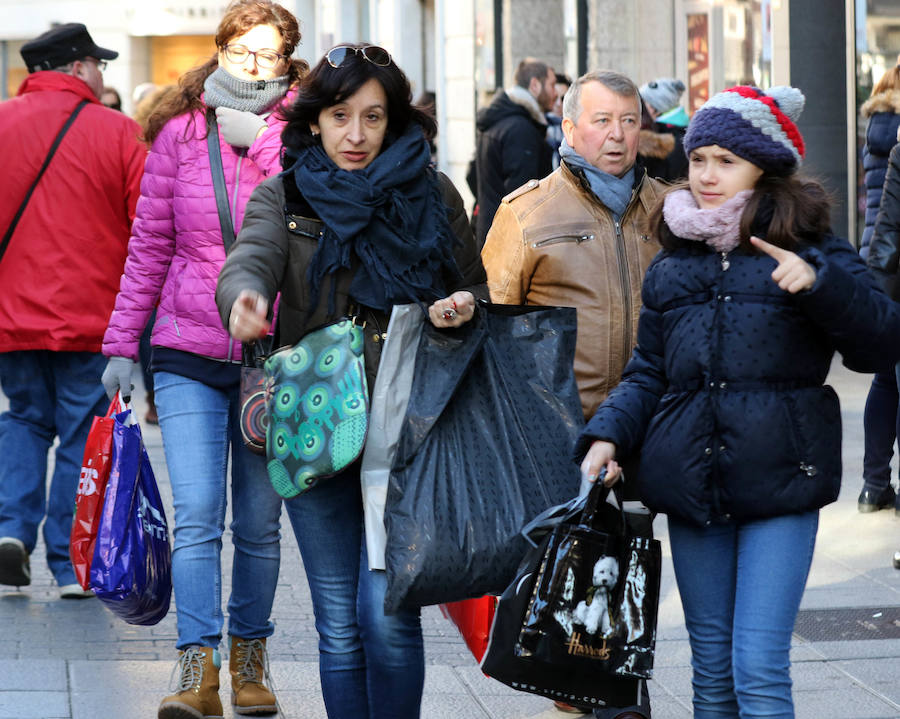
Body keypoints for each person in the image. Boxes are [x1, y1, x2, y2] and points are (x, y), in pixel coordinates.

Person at [577, 85, 900, 719]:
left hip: (781, 483)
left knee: (757, 670)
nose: (706, 175)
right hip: (692, 488)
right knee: (713, 677)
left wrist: (821, 286)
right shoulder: (674, 263)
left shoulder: (810, 246)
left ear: (765, 167)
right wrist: (606, 435)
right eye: (699, 159)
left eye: (726, 161)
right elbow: (649, 372)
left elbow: (880, 344)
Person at [215, 43, 488, 719]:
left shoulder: (434, 194)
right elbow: (250, 258)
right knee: (339, 625)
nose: (356, 134)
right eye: (340, 116)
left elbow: (475, 286)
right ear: (315, 121)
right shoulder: (284, 194)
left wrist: (463, 305)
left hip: (409, 428)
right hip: (314, 424)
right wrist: (245, 297)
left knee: (387, 613)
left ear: (394, 121)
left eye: (373, 116)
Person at [99, 1, 307, 716]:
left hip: (271, 355)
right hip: (186, 348)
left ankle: (250, 655)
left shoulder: (304, 133)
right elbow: (149, 246)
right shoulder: (179, 135)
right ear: (219, 52)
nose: (254, 65)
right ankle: (197, 665)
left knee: (258, 524)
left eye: (268, 54)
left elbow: (311, 213)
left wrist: (267, 145)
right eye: (242, 50)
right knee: (196, 515)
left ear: (286, 62)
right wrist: (122, 344)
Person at [482, 69, 663, 719]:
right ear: (570, 126)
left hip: (649, 420)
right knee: (579, 567)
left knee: (629, 564)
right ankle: (601, 695)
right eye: (602, 121)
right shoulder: (527, 211)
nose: (617, 135)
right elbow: (494, 324)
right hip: (563, 428)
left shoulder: (668, 210)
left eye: (629, 121)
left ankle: (607, 687)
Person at [0, 23, 145, 600]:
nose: (103, 75)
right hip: (92, 315)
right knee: (82, 432)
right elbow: (146, 229)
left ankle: (11, 530)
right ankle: (69, 562)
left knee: (24, 418)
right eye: (99, 65)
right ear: (80, 67)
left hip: (11, 315)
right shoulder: (121, 132)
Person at [856, 60, 900, 513]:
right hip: (894, 256)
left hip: (879, 259)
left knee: (886, 378)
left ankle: (873, 484)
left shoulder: (876, 127)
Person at [473, 57, 557, 246]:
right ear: (535, 85)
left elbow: (472, 175)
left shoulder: (503, 121)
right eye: (552, 85)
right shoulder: (520, 129)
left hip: (494, 232)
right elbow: (522, 196)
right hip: (509, 240)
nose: (555, 93)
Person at [638, 76, 688, 182]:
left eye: (642, 104)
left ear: (655, 108)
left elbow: (664, 179)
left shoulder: (674, 138)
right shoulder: (681, 132)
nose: (639, 110)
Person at [546, 71, 572, 169]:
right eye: (554, 97)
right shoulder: (536, 127)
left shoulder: (576, 131)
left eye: (563, 98)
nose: (558, 104)